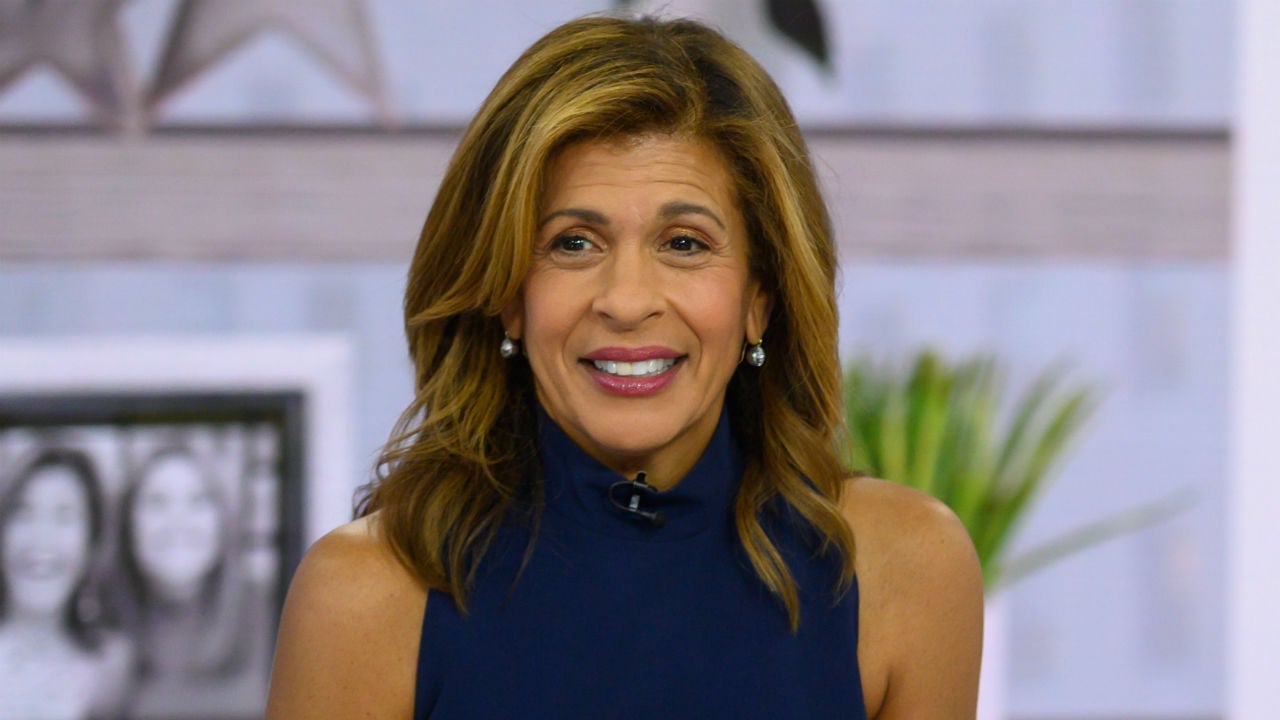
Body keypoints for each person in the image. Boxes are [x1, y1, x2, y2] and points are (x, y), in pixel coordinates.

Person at [267, 14, 983, 719]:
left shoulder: (904, 567)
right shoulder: (365, 596)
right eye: (574, 243)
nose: (628, 301)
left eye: (684, 243)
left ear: (759, 300)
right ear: (508, 298)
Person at [118, 444, 271, 719]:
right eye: (157, 502)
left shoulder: (276, 612)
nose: (178, 522)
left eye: (197, 501)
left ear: (223, 521)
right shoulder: (98, 623)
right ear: (127, 522)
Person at [0, 447, 132, 720]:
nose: (41, 537)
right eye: (23, 513)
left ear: (91, 541)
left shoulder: (108, 669)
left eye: (64, 516)